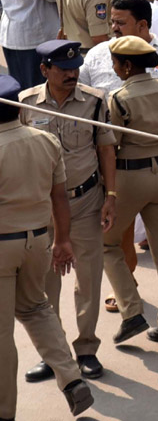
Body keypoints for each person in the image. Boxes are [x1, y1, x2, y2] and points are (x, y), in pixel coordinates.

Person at [0, 74, 96, 420]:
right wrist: (63, 240)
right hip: (38, 240)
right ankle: (71, 380)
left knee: (1, 334)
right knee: (37, 309)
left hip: (2, 247)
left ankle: (4, 411)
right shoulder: (45, 141)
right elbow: (60, 197)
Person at [18, 41, 111, 383]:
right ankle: (54, 355)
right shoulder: (25, 103)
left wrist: (111, 195)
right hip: (42, 208)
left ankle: (86, 348)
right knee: (46, 285)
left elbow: (105, 149)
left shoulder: (95, 101)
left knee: (88, 278)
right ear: (44, 70)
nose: (72, 74)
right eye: (63, 69)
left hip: (86, 200)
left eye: (75, 68)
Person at [101, 36, 158, 346]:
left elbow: (111, 146)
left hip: (129, 176)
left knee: (107, 244)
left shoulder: (119, 97)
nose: (114, 68)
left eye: (116, 63)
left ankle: (132, 310)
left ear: (126, 65)